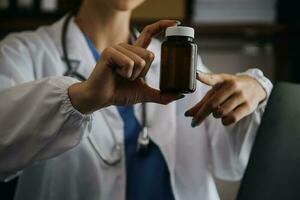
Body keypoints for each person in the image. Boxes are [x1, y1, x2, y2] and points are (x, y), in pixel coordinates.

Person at [0, 0, 272, 199]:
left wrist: (255, 91)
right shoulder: (21, 53)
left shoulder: (179, 60)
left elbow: (233, 162)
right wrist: (80, 98)